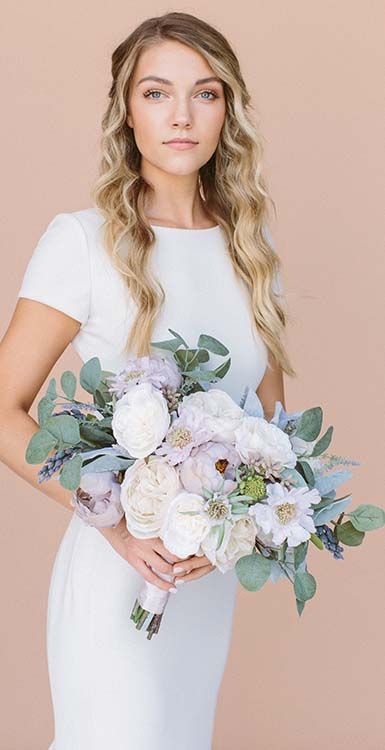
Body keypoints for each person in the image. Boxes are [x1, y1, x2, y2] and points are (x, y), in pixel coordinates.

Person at [0, 11, 296, 749]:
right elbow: (2, 408)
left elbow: (271, 433)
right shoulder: (82, 241)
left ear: (227, 110)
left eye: (205, 93)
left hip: (205, 578)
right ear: (126, 111)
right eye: (157, 93)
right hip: (116, 569)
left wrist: (247, 520)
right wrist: (115, 522)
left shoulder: (251, 256)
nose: (182, 116)